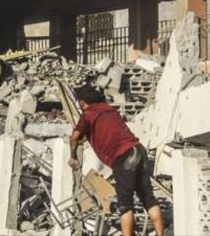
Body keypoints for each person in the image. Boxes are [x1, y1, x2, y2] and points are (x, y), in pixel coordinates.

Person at [69, 85, 164, 236]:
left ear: (81, 103)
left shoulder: (88, 114)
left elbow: (74, 137)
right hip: (138, 150)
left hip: (124, 157)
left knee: (125, 205)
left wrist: (72, 156)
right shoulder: (108, 109)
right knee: (149, 199)